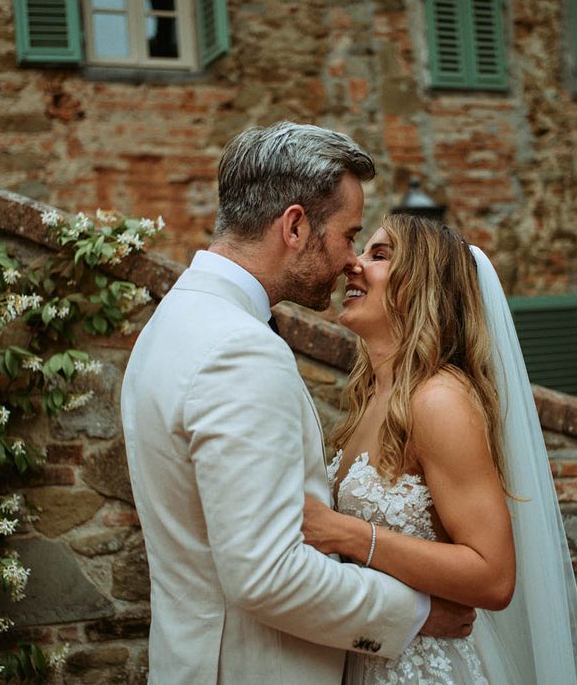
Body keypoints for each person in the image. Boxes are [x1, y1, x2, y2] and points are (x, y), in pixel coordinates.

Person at [121, 122, 473, 685]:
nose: (350, 260)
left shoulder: (174, 322)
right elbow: (267, 575)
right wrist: (418, 614)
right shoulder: (237, 348)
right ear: (294, 225)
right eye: (348, 236)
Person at [302, 213, 577, 683]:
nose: (353, 264)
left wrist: (344, 533)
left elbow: (493, 577)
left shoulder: (439, 400)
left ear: (423, 284)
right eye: (362, 249)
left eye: (380, 255)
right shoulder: (371, 398)